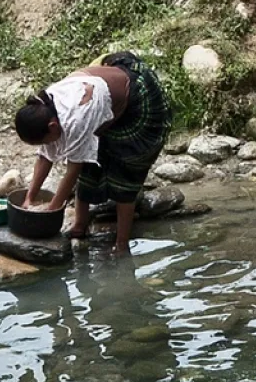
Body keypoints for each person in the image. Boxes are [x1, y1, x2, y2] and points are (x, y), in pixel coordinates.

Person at [15, 51, 173, 256]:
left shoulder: (75, 118)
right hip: (106, 107)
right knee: (91, 166)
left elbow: (73, 169)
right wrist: (29, 198)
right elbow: (45, 155)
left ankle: (122, 245)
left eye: (44, 139)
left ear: (53, 126)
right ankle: (79, 226)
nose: (46, 144)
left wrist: (52, 209)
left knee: (125, 176)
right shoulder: (45, 108)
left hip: (139, 102)